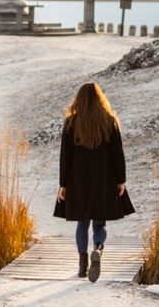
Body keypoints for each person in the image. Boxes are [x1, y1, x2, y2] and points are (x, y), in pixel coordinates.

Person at [54, 82, 135, 282]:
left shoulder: (71, 123)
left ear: (79, 99)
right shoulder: (109, 121)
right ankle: (98, 249)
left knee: (82, 223)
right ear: (100, 99)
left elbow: (65, 156)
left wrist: (63, 184)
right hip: (104, 180)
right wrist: (121, 179)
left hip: (78, 181)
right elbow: (118, 153)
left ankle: (82, 264)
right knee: (99, 223)